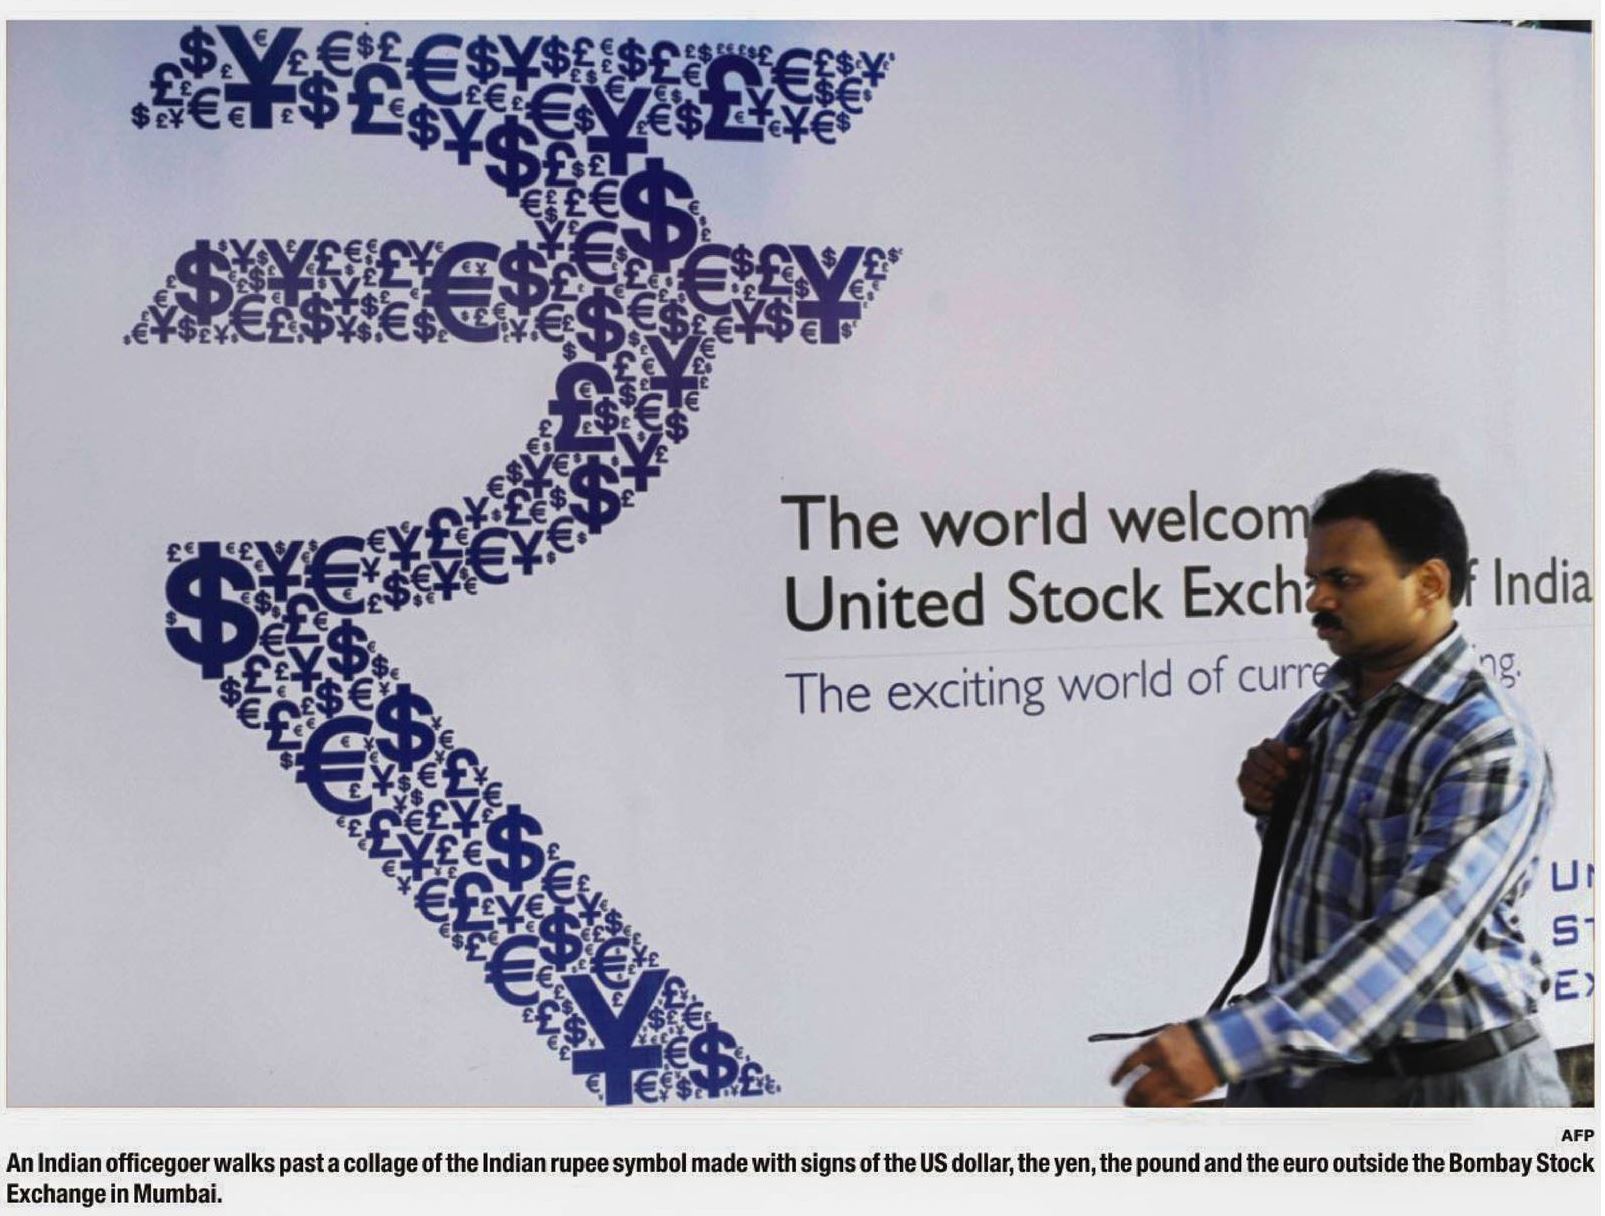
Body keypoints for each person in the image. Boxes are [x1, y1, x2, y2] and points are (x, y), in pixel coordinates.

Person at [1112, 470, 1570, 1107]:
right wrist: (1271, 805)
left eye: (1343, 580)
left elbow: (1420, 933)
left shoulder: (1487, 740)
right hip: (1317, 1073)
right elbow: (1345, 867)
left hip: (1448, 1092)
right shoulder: (1332, 707)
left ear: (1430, 583)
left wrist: (1229, 1046)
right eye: (1314, 580)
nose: (1317, 600)